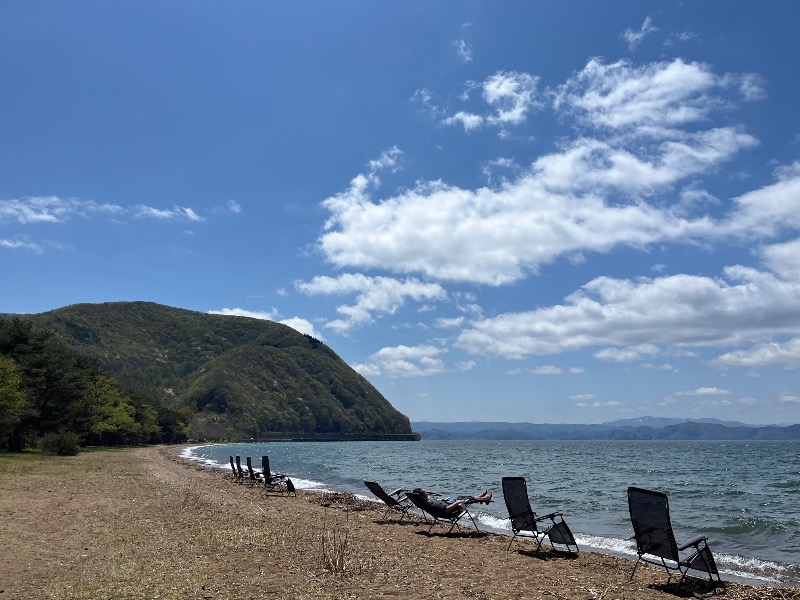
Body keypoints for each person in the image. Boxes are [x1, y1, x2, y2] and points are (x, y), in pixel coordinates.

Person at [412, 487, 492, 513]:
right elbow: (446, 510)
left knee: (461, 497)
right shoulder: (431, 504)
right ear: (422, 495)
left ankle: (480, 498)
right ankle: (485, 498)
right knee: (466, 500)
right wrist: (457, 503)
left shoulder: (423, 503)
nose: (426, 492)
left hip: (447, 503)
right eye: (424, 492)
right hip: (452, 509)